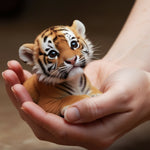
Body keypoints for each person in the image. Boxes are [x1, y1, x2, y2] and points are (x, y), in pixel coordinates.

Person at [2, 0, 150, 149]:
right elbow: (50, 104)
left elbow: (91, 93)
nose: (71, 58)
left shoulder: (82, 79)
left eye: (74, 44)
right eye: (53, 53)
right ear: (31, 58)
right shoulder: (46, 84)